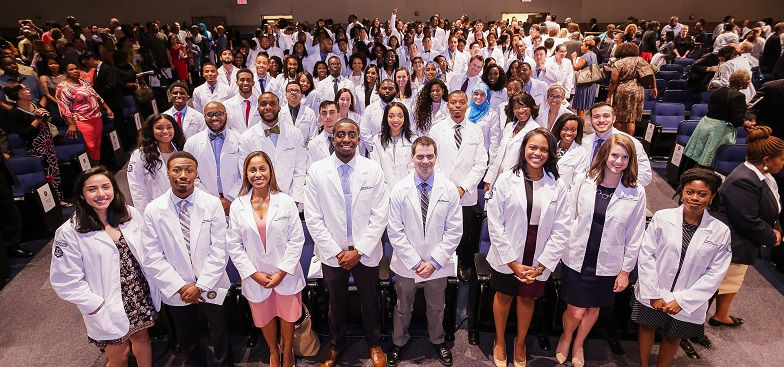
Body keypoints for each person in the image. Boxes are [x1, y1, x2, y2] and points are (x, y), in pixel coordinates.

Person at [536, 133, 646, 367]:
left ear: (631, 160)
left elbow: (635, 234)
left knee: (593, 308)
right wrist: (558, 250)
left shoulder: (636, 192)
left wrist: (625, 271)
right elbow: (568, 216)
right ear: (605, 154)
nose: (619, 161)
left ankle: (579, 344)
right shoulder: (584, 180)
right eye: (615, 155)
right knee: (575, 311)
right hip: (578, 255)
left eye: (625, 157)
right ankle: (567, 337)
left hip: (608, 261)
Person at [50, 166, 158, 367]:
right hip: (105, 302)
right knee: (119, 354)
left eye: (106, 187)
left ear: (114, 190)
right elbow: (65, 281)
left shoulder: (130, 214)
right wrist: (95, 305)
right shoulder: (69, 232)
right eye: (92, 189)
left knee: (142, 337)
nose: (101, 194)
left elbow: (147, 248)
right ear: (81, 195)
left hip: (137, 292)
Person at [304, 119, 389, 367]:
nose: (346, 139)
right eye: (340, 134)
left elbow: (380, 214)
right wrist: (335, 251)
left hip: (365, 251)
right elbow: (313, 217)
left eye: (352, 135)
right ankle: (336, 345)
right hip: (333, 253)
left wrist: (359, 251)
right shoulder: (317, 170)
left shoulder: (373, 169)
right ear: (333, 139)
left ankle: (374, 343)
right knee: (336, 302)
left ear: (358, 139)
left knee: (370, 301)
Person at [139, 151, 234, 367]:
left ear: (196, 174)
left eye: (189, 170)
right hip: (177, 289)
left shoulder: (212, 203)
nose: (183, 175)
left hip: (212, 282)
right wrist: (182, 287)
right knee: (188, 338)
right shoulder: (154, 210)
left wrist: (201, 286)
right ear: (168, 173)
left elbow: (220, 248)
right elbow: (151, 256)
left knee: (220, 332)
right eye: (177, 170)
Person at [486, 128, 569, 367]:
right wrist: (511, 262)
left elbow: (562, 227)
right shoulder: (506, 179)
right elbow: (495, 223)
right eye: (533, 147)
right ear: (524, 149)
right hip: (508, 250)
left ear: (550, 154)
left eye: (544, 149)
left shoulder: (558, 184)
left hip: (538, 252)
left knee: (527, 299)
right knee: (504, 296)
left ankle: (520, 342)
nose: (537, 153)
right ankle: (500, 341)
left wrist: (542, 266)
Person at [633, 168, 732, 367]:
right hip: (655, 292)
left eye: (702, 194)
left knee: (673, 335)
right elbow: (646, 254)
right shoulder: (662, 217)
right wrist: (653, 292)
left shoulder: (720, 232)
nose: (694, 198)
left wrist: (683, 301)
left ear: (712, 196)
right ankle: (643, 365)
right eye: (689, 192)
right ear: (682, 191)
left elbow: (715, 273)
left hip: (687, 298)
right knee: (647, 327)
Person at [386, 136, 461, 367]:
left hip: (437, 264)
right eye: (420, 156)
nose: (425, 161)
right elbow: (395, 230)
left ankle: (438, 340)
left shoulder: (449, 189)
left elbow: (454, 230)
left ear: (436, 157)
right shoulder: (399, 189)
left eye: (429, 156)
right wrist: (415, 262)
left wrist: (434, 262)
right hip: (407, 263)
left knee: (436, 307)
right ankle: (398, 342)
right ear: (412, 158)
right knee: (403, 306)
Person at [226, 151, 305, 367]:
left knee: (288, 315)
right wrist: (253, 274)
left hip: (285, 274)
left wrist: (282, 272)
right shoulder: (238, 205)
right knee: (264, 316)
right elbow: (234, 245)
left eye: (263, 169)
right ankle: (273, 350)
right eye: (252, 170)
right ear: (246, 174)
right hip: (256, 276)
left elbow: (297, 239)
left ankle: (287, 351)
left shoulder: (286, 201)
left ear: (270, 171)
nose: (258, 174)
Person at [711, 126, 784, 328]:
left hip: (743, 240)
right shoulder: (744, 179)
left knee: (733, 280)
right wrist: (772, 236)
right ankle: (692, 330)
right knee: (715, 284)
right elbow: (747, 220)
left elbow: (773, 209)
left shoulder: (764, 176)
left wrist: (776, 228)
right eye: (782, 158)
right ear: (767, 160)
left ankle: (721, 315)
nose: (783, 163)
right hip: (731, 243)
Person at [429, 91, 488, 282]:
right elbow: (432, 160)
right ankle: (441, 263)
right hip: (442, 191)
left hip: (466, 194)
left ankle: (460, 264)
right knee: (440, 230)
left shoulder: (475, 131)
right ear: (448, 105)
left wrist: (463, 188)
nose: (457, 106)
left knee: (463, 232)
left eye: (461, 102)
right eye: (453, 102)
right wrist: (448, 187)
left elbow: (481, 163)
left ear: (467, 105)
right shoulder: (437, 130)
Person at [4, 82, 68, 206]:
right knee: (43, 173)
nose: (28, 91)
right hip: (35, 147)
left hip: (48, 143)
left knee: (54, 171)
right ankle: (48, 202)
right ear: (16, 95)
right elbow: (24, 134)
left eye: (26, 88)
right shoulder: (14, 113)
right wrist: (37, 120)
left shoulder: (34, 104)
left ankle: (58, 199)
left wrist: (46, 116)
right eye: (23, 90)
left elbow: (48, 118)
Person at [239, 92, 307, 205]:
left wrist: (295, 198)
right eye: (263, 104)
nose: (268, 107)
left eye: (272, 103)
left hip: (290, 197)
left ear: (279, 107)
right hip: (260, 199)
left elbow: (300, 168)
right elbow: (245, 171)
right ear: (258, 108)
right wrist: (260, 198)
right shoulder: (247, 137)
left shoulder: (295, 133)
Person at [183, 101, 243, 216]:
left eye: (219, 113)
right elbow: (190, 175)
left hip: (236, 200)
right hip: (204, 201)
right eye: (210, 114)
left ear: (226, 115)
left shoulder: (240, 140)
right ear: (204, 117)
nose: (214, 118)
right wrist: (211, 200)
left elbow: (245, 174)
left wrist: (231, 198)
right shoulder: (191, 143)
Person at [684, 70, 754, 167]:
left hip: (705, 124)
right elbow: (736, 120)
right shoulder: (739, 96)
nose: (749, 82)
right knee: (710, 162)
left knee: (700, 159)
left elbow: (721, 107)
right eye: (748, 79)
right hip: (719, 130)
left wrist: (742, 106)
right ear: (740, 82)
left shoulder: (720, 90)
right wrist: (746, 123)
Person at [580, 102, 653, 186]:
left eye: (606, 116)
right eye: (596, 117)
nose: (601, 120)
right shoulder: (584, 142)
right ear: (591, 119)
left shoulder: (632, 142)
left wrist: (613, 182)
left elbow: (645, 176)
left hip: (617, 191)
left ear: (614, 119)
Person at [127, 114, 186, 213]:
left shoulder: (182, 148)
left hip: (185, 205)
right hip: (157, 209)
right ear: (151, 130)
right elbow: (136, 187)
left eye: (169, 127)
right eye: (159, 128)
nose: (165, 131)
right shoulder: (140, 155)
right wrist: (144, 213)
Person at [56, 63, 113, 163]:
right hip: (82, 120)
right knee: (89, 146)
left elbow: (96, 95)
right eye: (71, 69)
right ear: (65, 73)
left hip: (96, 116)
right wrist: (71, 124)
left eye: (76, 68)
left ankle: (97, 167)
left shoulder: (82, 81)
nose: (75, 71)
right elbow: (64, 107)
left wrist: (107, 108)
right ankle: (90, 169)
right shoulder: (63, 87)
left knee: (97, 144)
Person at [484, 92, 540, 191]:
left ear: (531, 107)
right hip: (498, 176)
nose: (521, 110)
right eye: (517, 107)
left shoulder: (535, 130)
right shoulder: (509, 127)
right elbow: (499, 155)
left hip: (518, 180)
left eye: (525, 106)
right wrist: (489, 179)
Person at [606, 42, 657, 135]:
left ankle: (616, 138)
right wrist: (654, 87)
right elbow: (650, 73)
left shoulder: (619, 63)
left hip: (622, 91)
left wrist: (609, 96)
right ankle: (630, 139)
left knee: (618, 117)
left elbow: (613, 81)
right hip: (638, 90)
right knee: (631, 118)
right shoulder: (640, 60)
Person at [369, 102, 416, 188]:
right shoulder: (378, 140)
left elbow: (413, 167)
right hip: (384, 189)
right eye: (391, 116)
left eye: (400, 116)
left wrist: (406, 187)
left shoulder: (413, 140)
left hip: (407, 188)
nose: (395, 120)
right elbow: (375, 166)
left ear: (405, 118)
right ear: (386, 118)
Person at [467, 82, 501, 166]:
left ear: (487, 96)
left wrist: (492, 163)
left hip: (483, 156)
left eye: (482, 94)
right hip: (467, 153)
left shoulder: (492, 114)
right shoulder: (466, 112)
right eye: (476, 94)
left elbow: (494, 140)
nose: (478, 97)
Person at [551, 113, 588, 187]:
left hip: (565, 193)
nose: (569, 133)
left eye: (573, 130)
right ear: (559, 129)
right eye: (565, 129)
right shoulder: (550, 147)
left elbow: (577, 183)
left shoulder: (582, 153)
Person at [279, 81, 319, 146]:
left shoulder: (310, 113)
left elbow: (313, 136)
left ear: (301, 95)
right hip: (284, 150)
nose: (293, 93)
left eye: (297, 91)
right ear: (286, 94)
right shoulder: (279, 112)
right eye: (290, 90)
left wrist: (305, 149)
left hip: (305, 150)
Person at [306, 101, 339, 169]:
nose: (328, 116)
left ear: (338, 115)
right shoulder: (313, 144)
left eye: (332, 112)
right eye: (324, 113)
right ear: (320, 117)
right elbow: (311, 170)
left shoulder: (348, 140)